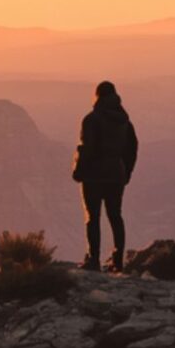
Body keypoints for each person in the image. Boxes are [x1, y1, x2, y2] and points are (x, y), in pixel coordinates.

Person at [71, 80, 138, 272]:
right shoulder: (125, 122)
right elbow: (132, 149)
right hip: (116, 174)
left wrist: (79, 171)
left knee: (93, 218)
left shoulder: (91, 119)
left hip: (93, 174)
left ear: (97, 96)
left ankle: (93, 260)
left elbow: (86, 148)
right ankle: (118, 261)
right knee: (115, 216)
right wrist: (126, 173)